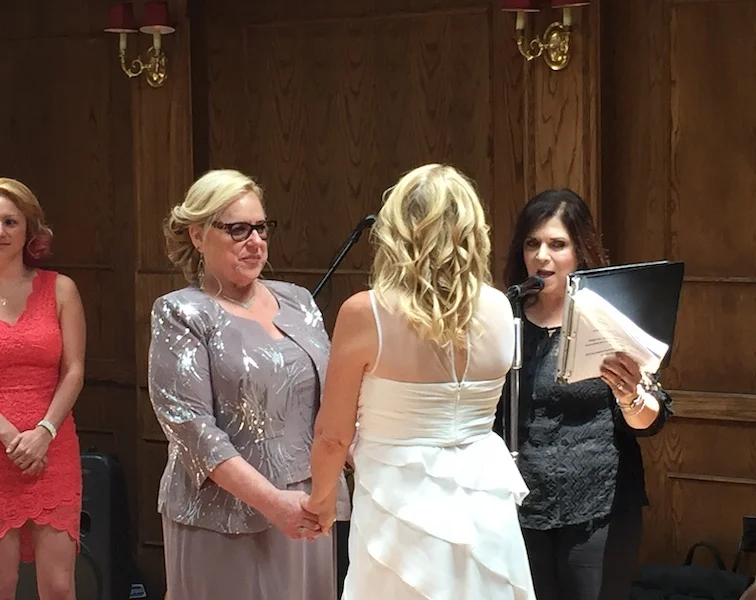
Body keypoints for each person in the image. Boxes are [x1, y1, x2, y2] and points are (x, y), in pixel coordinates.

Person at [303, 164, 536, 599]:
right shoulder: (501, 309)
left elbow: (333, 437)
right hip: (484, 505)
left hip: (399, 506)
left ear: (395, 230)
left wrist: (320, 501)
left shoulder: (364, 313)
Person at [148, 168, 350, 600]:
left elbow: (335, 399)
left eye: (261, 228)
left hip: (308, 507)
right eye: (237, 229)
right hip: (221, 516)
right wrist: (272, 502)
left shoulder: (299, 300)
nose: (255, 241)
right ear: (198, 235)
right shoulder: (181, 313)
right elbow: (192, 429)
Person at [496, 188, 674, 600]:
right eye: (532, 243)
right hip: (517, 505)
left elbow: (652, 418)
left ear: (580, 251)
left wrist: (630, 395)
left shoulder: (613, 316)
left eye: (557, 245)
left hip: (597, 505)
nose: (542, 256)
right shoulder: (502, 316)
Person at [0, 178, 86, 600]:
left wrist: (44, 432)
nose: (0, 231)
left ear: (29, 231)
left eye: (10, 221)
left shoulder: (60, 289)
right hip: (0, 445)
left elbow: (74, 370)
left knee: (58, 587)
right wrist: (8, 435)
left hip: (51, 448)